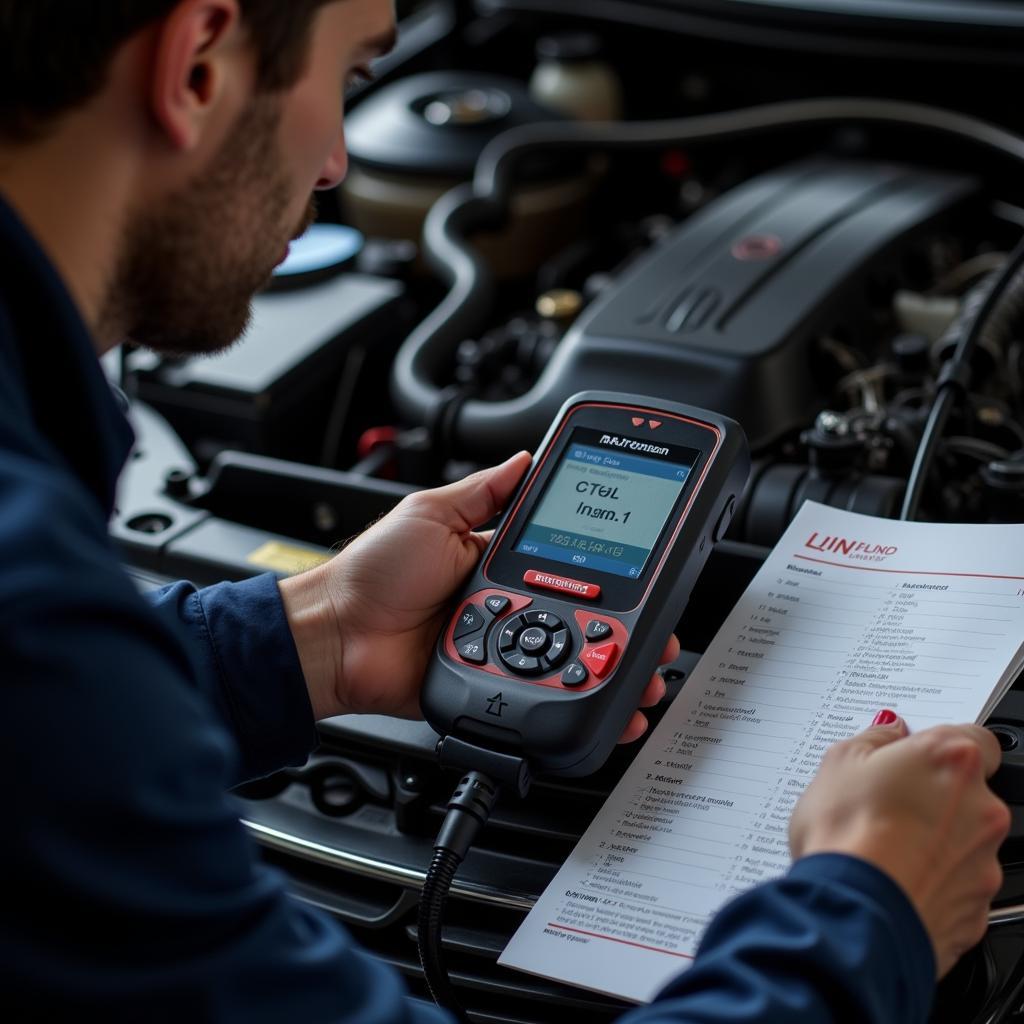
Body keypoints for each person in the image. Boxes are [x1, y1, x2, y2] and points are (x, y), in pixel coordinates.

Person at [0, 1, 1009, 1021]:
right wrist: (867, 913)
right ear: (198, 66)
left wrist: (315, 634)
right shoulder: (43, 617)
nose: (339, 164)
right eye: (349, 78)